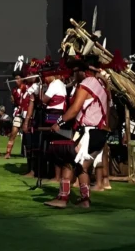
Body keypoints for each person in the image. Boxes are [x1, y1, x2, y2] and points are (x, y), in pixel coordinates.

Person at [44, 55, 108, 209]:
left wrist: (59, 123)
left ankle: (63, 198)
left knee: (69, 162)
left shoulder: (86, 84)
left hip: (88, 133)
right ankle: (85, 200)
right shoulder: (102, 86)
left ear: (82, 71)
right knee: (81, 167)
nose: (73, 75)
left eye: (74, 72)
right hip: (100, 133)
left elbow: (74, 109)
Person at [4, 69, 28, 159]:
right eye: (15, 78)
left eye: (18, 78)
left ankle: (26, 153)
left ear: (22, 79)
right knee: (13, 132)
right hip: (18, 112)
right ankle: (8, 152)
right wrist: (13, 100)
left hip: (27, 112)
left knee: (27, 134)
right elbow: (15, 103)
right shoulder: (14, 90)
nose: (16, 80)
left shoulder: (27, 87)